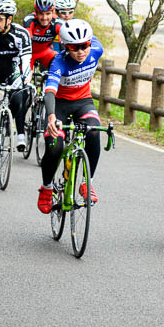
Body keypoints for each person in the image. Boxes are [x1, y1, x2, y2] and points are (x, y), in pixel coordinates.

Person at [37, 19, 104, 214]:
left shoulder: (96, 49)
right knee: (55, 145)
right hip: (59, 106)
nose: (81, 51)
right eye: (75, 47)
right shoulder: (59, 61)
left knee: (93, 132)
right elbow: (49, 91)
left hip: (83, 101)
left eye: (84, 45)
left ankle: (87, 182)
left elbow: (90, 42)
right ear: (65, 46)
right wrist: (50, 116)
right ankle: (47, 188)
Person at [0, 0, 32, 151]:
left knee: (20, 95)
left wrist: (27, 77)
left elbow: (26, 59)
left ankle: (20, 134)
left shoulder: (21, 34)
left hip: (12, 72)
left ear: (9, 19)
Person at [23, 0, 64, 70]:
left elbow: (63, 44)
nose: (44, 17)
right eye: (41, 14)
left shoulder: (58, 23)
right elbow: (27, 42)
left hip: (46, 52)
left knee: (61, 67)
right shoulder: (29, 20)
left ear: (53, 12)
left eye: (48, 14)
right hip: (29, 53)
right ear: (36, 13)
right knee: (26, 77)